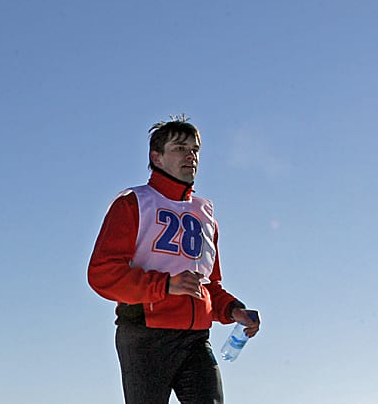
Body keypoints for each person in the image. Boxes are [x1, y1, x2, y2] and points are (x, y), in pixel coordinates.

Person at [88, 115, 261, 404]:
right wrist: (165, 285)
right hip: (146, 334)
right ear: (156, 157)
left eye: (195, 149)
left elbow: (209, 285)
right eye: (180, 148)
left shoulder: (205, 215)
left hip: (196, 338)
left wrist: (233, 310)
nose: (190, 156)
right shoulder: (133, 204)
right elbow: (102, 274)